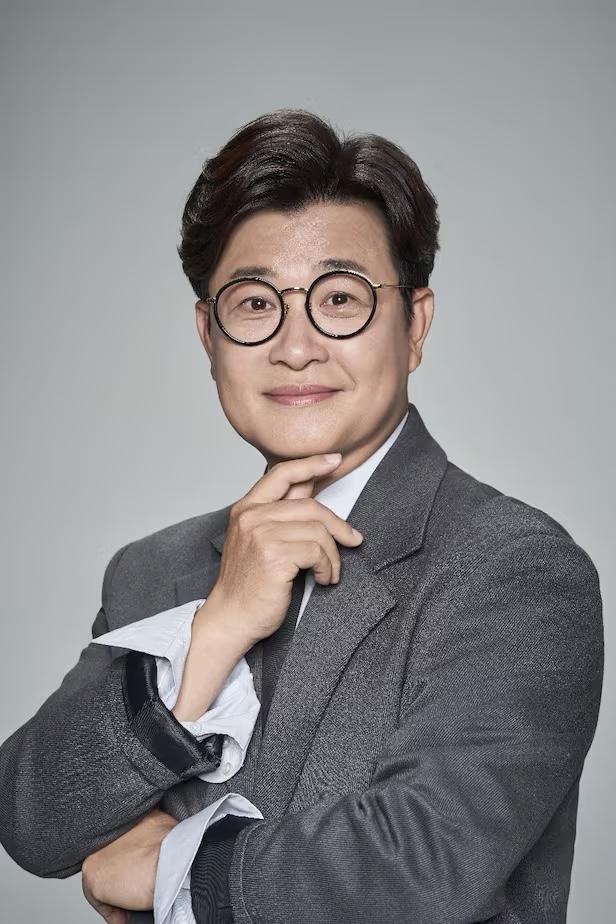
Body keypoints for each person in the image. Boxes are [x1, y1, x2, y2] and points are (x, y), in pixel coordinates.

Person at [0, 110, 603, 924]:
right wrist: (213, 631)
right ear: (207, 335)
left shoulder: (514, 567)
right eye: (255, 303)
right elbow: (32, 819)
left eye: (340, 298)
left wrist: (166, 869)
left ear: (415, 324)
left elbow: (424, 864)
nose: (295, 346)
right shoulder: (151, 570)